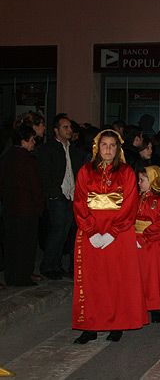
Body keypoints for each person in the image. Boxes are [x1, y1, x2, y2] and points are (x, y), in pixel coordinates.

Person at [71, 130, 147, 344]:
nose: (108, 149)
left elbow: (130, 203)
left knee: (117, 279)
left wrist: (113, 232)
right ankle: (90, 326)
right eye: (104, 145)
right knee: (91, 279)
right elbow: (79, 201)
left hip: (118, 233)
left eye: (112, 145)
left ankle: (117, 324)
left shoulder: (126, 172)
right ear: (97, 147)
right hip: (91, 230)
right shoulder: (86, 171)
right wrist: (91, 231)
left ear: (118, 149)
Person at [36, 114, 84, 280]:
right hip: (58, 195)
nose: (69, 130)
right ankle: (49, 266)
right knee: (58, 231)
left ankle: (57, 265)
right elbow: (45, 174)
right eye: (65, 127)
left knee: (67, 232)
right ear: (56, 130)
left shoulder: (74, 149)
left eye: (70, 127)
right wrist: (55, 193)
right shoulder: (49, 149)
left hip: (71, 195)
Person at [0, 124, 45, 286]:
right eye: (32, 140)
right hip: (27, 208)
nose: (34, 143)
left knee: (11, 243)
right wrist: (39, 205)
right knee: (26, 244)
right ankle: (22, 277)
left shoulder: (6, 158)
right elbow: (35, 186)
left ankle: (11, 276)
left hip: (10, 206)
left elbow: (3, 184)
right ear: (24, 141)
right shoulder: (28, 160)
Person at [135, 166, 160, 324]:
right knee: (136, 275)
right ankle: (137, 305)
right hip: (133, 241)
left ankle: (154, 307)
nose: (139, 183)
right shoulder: (135, 197)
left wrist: (144, 238)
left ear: (152, 181)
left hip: (151, 243)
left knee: (152, 276)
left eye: (142, 180)